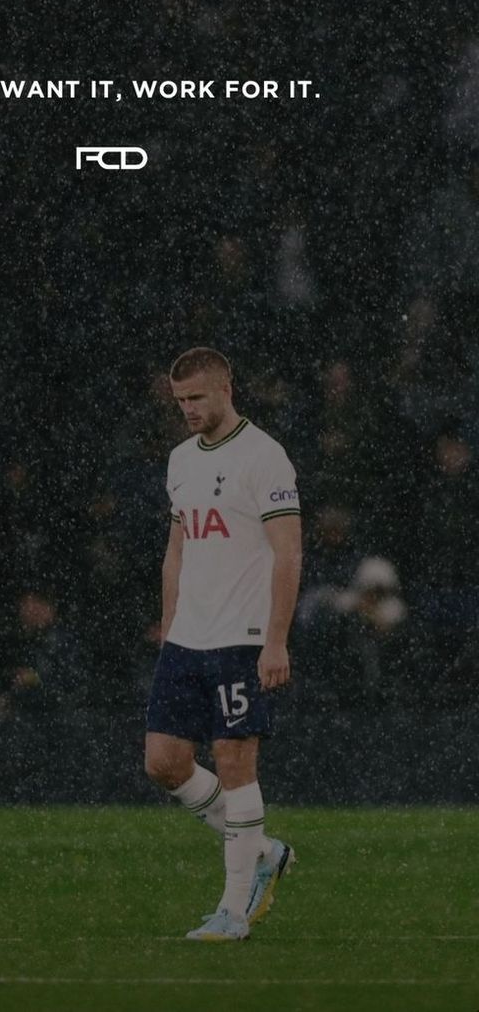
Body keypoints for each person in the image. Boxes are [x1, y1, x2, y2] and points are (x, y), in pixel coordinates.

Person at [145, 347, 302, 941]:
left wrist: (276, 641)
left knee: (236, 764)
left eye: (197, 398)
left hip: (241, 638)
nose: (187, 409)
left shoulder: (264, 457)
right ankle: (262, 848)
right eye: (180, 400)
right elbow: (178, 549)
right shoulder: (181, 459)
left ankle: (234, 912)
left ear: (225, 389)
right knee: (163, 762)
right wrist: (168, 624)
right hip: (188, 638)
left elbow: (288, 551)